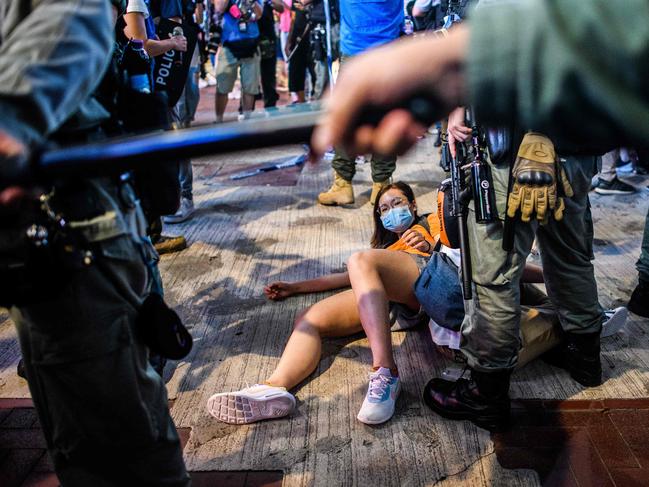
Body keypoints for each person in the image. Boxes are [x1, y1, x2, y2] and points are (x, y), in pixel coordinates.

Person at [311, 0, 649, 431]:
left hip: (521, 140)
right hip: (577, 141)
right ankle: (585, 355)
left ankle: (485, 391)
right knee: (568, 252)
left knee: (493, 274)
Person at [205, 181, 603, 426]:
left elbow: (493, 266)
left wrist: (559, 282)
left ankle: (385, 373)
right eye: (383, 208)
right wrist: (295, 287)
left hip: (433, 280)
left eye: (397, 202)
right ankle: (274, 389)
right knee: (312, 318)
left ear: (413, 205)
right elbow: (345, 276)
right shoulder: (383, 249)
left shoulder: (436, 224)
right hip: (395, 303)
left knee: (364, 262)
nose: (391, 211)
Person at [0, 0, 190, 485]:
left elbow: (72, 19)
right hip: (42, 217)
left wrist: (11, 122)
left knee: (116, 451)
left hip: (70, 222)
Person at [316, 0, 403, 207]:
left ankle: (342, 184)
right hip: (390, 50)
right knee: (385, 119)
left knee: (346, 118)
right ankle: (381, 185)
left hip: (356, 50)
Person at [214, 0, 264, 121]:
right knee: (222, 86)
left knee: (250, 87)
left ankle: (247, 119)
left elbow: (259, 14)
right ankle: (219, 119)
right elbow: (219, 8)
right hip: (229, 44)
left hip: (251, 43)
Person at [258, 0, 285, 108]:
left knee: (268, 74)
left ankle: (270, 106)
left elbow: (281, 8)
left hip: (268, 36)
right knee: (250, 76)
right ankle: (245, 110)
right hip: (250, 35)